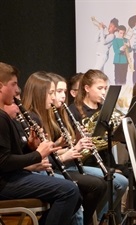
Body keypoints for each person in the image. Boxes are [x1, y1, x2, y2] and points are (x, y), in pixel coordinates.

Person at [0, 62, 82, 225]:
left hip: (12, 177)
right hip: (5, 182)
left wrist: (30, 147)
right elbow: (3, 162)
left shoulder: (4, 117)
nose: (17, 90)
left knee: (73, 191)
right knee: (69, 191)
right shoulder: (1, 117)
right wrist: (38, 154)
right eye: (13, 84)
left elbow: (10, 154)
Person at [21, 71, 107, 225]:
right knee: (81, 190)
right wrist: (64, 152)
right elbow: (40, 157)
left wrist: (71, 145)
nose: (57, 97)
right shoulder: (33, 118)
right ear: (40, 94)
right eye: (53, 92)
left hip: (56, 165)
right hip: (46, 169)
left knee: (111, 180)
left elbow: (47, 151)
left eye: (60, 92)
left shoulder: (52, 114)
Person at [68, 69, 128, 224]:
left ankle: (100, 217)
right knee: (116, 182)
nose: (104, 92)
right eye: (100, 88)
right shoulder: (73, 111)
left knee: (129, 178)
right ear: (87, 88)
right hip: (85, 162)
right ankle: (91, 218)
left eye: (105, 88)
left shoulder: (105, 110)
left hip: (104, 159)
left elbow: (109, 140)